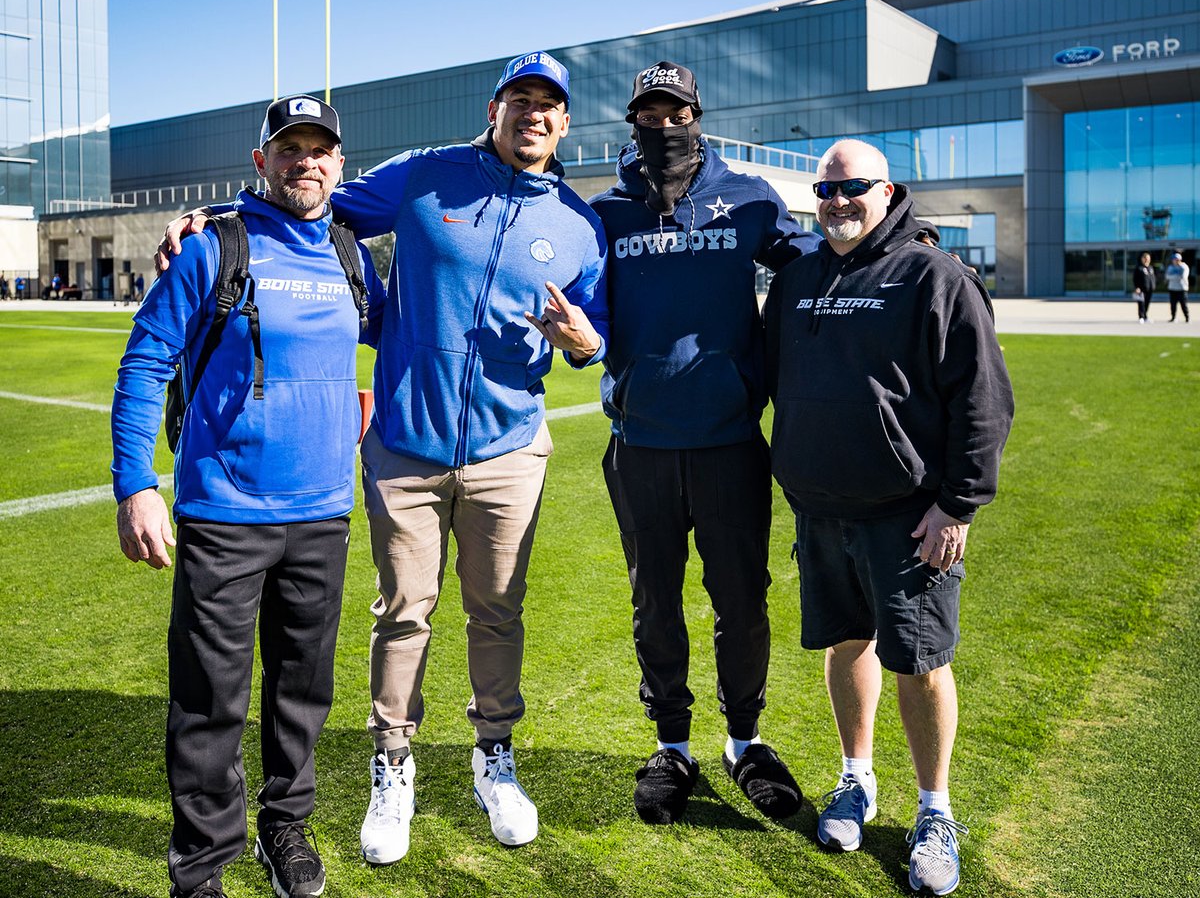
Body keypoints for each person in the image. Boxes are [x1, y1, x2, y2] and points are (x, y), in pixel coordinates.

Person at [157, 51, 608, 862]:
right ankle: (392, 764)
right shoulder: (425, 174)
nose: (533, 113)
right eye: (520, 99)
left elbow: (596, 327)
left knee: (498, 611)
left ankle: (494, 756)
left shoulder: (579, 222)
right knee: (403, 612)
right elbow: (309, 200)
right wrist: (213, 220)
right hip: (404, 443)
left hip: (510, 447)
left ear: (565, 121)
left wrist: (586, 343)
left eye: (549, 104)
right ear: (495, 109)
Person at [113, 94, 383, 898]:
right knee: (209, 702)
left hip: (323, 515)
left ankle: (283, 827)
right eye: (289, 148)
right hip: (224, 514)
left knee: (303, 692)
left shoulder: (352, 255)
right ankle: (201, 868)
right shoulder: (214, 246)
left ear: (339, 164)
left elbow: (400, 336)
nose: (307, 161)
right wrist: (136, 485)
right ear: (262, 161)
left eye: (320, 149)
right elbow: (145, 361)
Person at [764, 139, 1014, 895]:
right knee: (847, 642)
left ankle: (935, 811)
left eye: (853, 187)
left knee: (920, 661)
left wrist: (956, 504)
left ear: (888, 190)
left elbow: (984, 399)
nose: (837, 202)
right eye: (826, 190)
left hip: (909, 517)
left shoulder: (935, 275)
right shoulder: (799, 277)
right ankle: (857, 779)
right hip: (821, 510)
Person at [587, 61, 819, 824]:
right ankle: (673, 746)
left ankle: (745, 740)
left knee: (742, 601)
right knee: (655, 603)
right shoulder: (605, 212)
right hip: (641, 444)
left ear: (697, 114)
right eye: (649, 115)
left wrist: (902, 246)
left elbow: (817, 265)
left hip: (729, 442)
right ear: (633, 122)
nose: (664, 126)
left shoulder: (748, 198)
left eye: (676, 112)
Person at [1165, 251, 1190, 323]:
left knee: (1183, 304)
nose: (1174, 261)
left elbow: (1183, 277)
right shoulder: (1170, 267)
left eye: (1176, 259)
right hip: (1172, 288)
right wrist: (1176, 276)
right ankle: (1173, 317)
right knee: (1173, 304)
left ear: (1179, 259)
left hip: (1182, 289)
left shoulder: (1184, 267)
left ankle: (1187, 317)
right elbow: (1167, 276)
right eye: (1173, 259)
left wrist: (1173, 277)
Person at [1133, 252, 1156, 322]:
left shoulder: (1151, 268)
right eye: (1145, 258)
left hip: (1150, 289)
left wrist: (1153, 285)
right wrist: (1137, 287)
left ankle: (1145, 316)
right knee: (1141, 303)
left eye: (1148, 258)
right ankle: (1141, 317)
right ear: (1142, 259)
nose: (1146, 260)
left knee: (1147, 303)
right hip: (1141, 289)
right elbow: (1135, 279)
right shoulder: (1139, 268)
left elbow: (1153, 278)